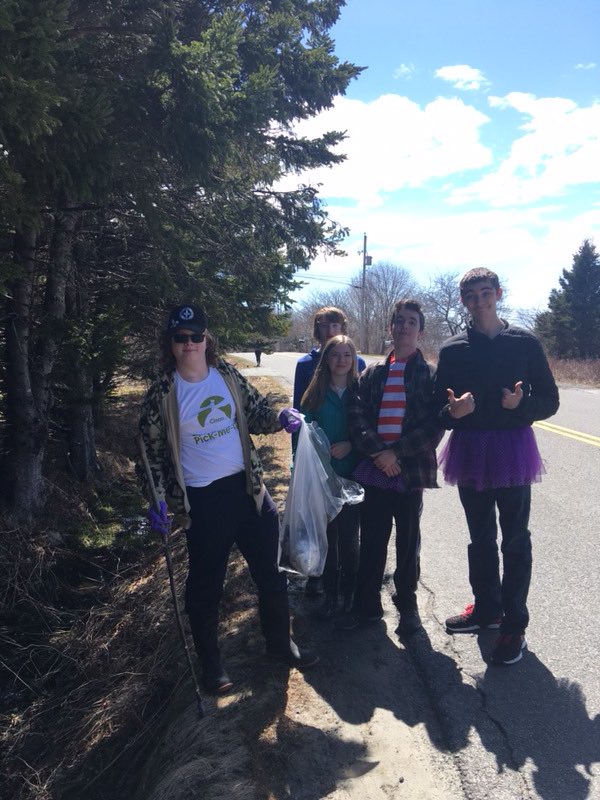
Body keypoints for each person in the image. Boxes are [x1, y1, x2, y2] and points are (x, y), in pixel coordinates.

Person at [139, 303, 318, 695]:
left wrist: (280, 419)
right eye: (180, 338)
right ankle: (212, 666)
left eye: (196, 337)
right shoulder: (162, 394)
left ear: (207, 340)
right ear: (169, 344)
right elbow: (150, 452)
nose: (189, 344)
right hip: (202, 501)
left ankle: (279, 645)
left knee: (271, 574)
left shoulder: (226, 375)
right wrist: (156, 500)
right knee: (206, 586)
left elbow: (256, 413)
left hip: (248, 491)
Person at [433, 268, 559, 665]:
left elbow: (550, 401)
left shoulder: (523, 342)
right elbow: (438, 409)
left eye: (485, 293)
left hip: (512, 448)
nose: (479, 300)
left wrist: (521, 405)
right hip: (470, 448)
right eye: (471, 295)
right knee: (480, 537)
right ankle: (487, 609)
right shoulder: (453, 349)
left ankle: (514, 625)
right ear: (463, 301)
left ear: (498, 294)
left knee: (515, 539)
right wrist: (454, 411)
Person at [339, 300, 441, 635]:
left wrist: (395, 453)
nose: (404, 327)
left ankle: (407, 604)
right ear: (390, 328)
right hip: (375, 470)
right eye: (398, 321)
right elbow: (357, 417)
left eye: (411, 322)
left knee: (408, 542)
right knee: (372, 539)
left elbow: (434, 425)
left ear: (420, 330)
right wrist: (379, 453)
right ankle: (367, 604)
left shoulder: (429, 375)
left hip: (409, 473)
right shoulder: (372, 374)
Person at [293, 306, 366, 597]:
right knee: (325, 534)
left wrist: (352, 445)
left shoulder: (361, 387)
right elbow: (302, 424)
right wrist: (300, 465)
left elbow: (368, 429)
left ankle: (349, 593)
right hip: (322, 476)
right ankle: (325, 586)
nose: (341, 360)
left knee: (350, 538)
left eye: (335, 324)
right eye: (323, 325)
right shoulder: (314, 386)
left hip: (353, 474)